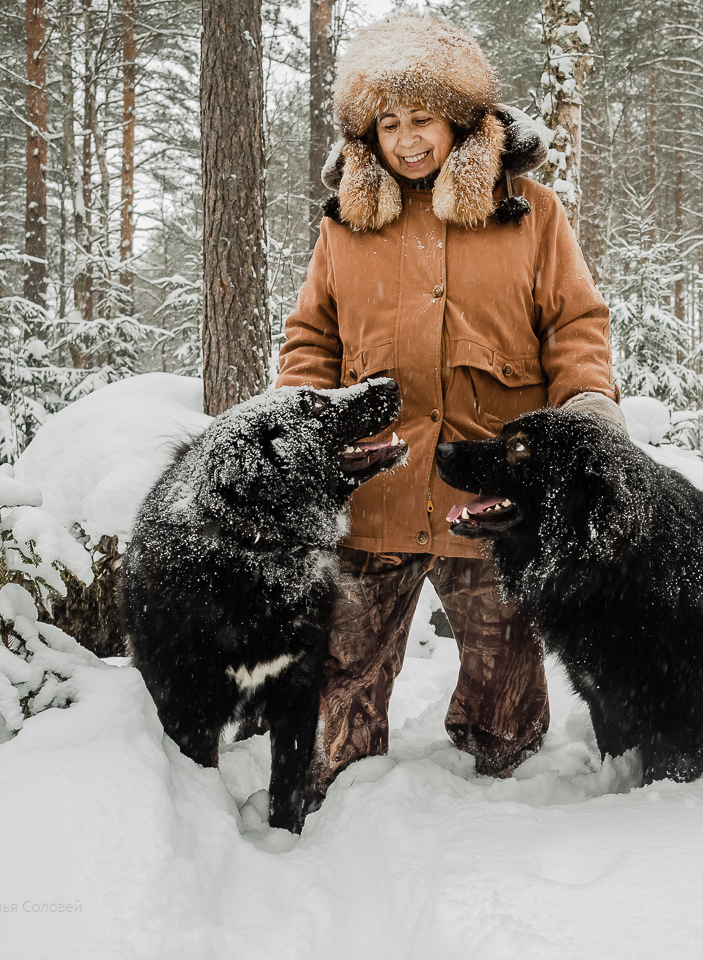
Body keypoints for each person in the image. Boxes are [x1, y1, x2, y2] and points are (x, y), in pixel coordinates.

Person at [275, 13, 625, 799]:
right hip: (376, 490)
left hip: (489, 490)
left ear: (461, 120)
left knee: (508, 706)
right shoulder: (345, 227)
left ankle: (500, 823)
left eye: (422, 120)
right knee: (340, 681)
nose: (406, 141)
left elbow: (575, 322)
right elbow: (311, 338)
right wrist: (298, 423)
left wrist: (588, 407)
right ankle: (331, 818)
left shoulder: (529, 211)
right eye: (388, 123)